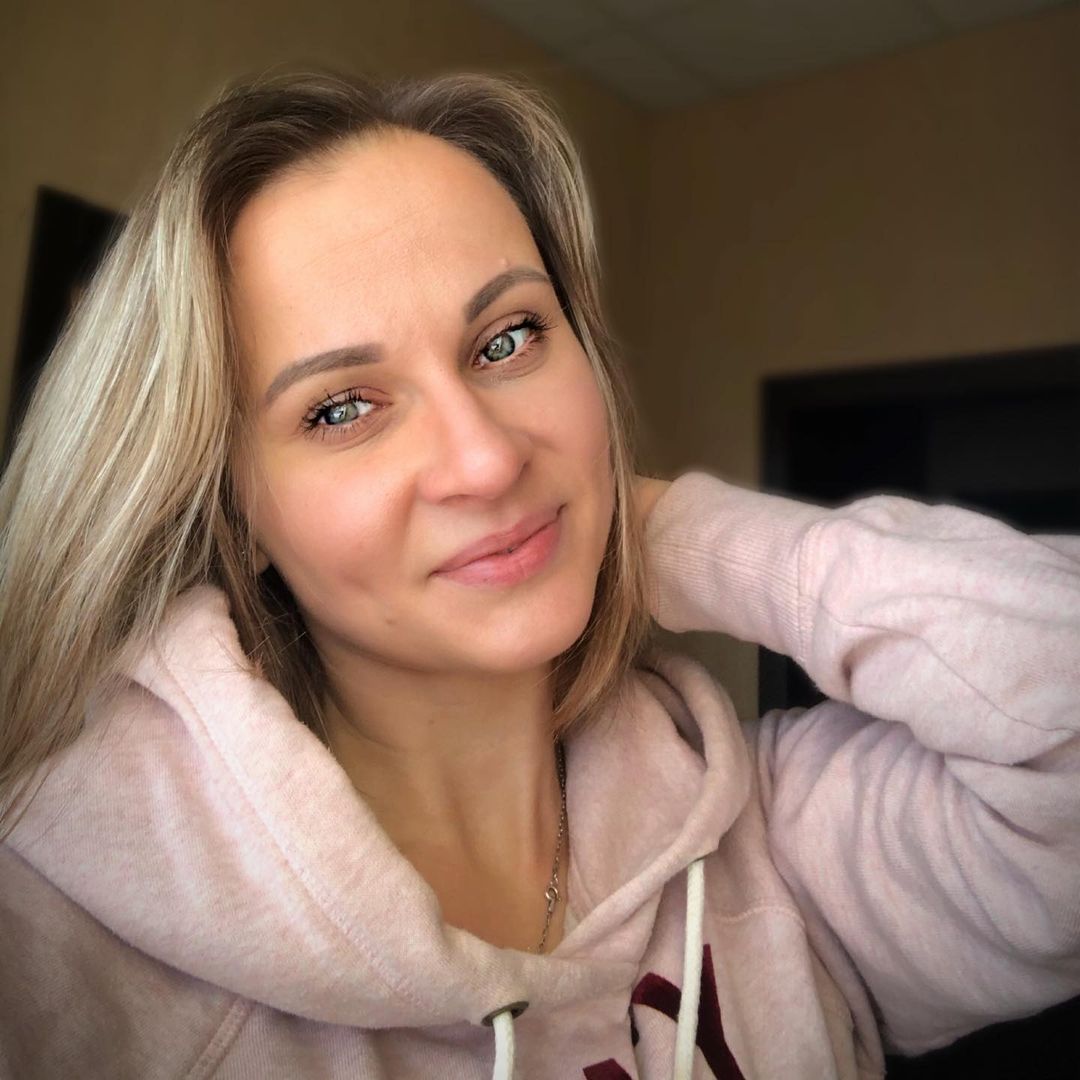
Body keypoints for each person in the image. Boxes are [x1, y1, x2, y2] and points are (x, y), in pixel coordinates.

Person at [0, 70, 1077, 1080]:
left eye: (508, 339)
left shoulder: (778, 846)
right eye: (342, 408)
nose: (486, 459)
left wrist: (662, 532)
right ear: (233, 511)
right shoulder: (58, 960)